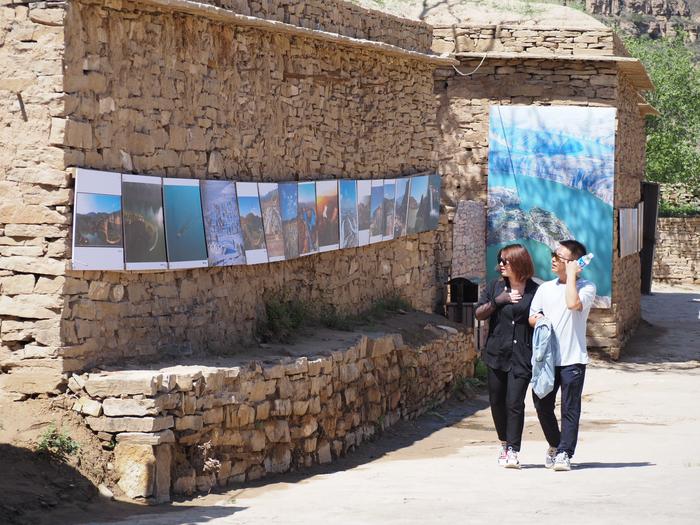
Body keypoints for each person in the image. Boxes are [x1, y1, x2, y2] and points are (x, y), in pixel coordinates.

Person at [529, 240, 596, 472]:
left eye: (559, 257)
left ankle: (565, 453)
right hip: (546, 360)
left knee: (570, 408)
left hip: (573, 359)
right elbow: (532, 315)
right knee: (541, 403)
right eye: (553, 255)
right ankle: (556, 444)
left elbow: (571, 303)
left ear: (575, 263)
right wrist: (540, 320)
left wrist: (571, 276)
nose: (553, 259)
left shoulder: (587, 287)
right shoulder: (544, 288)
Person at [475, 244, 539, 469]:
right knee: (496, 402)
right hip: (497, 353)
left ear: (519, 263)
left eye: (506, 261)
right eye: (500, 260)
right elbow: (478, 313)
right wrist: (498, 301)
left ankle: (513, 449)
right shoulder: (495, 287)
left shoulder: (534, 291)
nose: (501, 265)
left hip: (522, 355)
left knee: (514, 403)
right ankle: (504, 441)